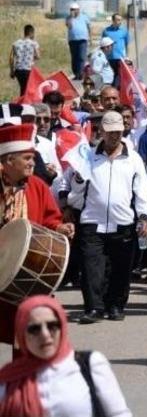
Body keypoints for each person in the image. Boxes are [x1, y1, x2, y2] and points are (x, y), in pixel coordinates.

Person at [68, 111, 147, 324]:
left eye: (118, 132)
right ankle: (93, 308)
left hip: (123, 222)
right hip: (92, 221)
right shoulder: (88, 156)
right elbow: (76, 189)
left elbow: (141, 191)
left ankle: (115, 305)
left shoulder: (133, 159)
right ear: (102, 132)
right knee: (91, 269)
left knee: (120, 269)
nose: (114, 136)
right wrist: (78, 178)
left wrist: (144, 217)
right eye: (110, 132)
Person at [0, 122, 73, 343]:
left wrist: (60, 228)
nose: (33, 163)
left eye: (33, 158)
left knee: (26, 336)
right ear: (9, 160)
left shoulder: (37, 185)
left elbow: (50, 218)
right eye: (27, 158)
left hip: (27, 269)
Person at [0, 295, 131, 417]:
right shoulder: (8, 380)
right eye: (34, 329)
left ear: (62, 327)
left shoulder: (90, 366)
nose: (45, 335)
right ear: (21, 335)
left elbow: (119, 414)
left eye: (52, 326)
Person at [9, 24, 39, 96]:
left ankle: (22, 100)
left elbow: (11, 58)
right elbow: (38, 56)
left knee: (23, 88)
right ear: (31, 33)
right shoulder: (34, 43)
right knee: (27, 90)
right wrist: (33, 57)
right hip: (28, 70)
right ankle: (24, 102)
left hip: (18, 70)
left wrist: (12, 71)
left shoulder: (16, 43)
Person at [65, 3, 92, 79]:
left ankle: (80, 74)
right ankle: (76, 73)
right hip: (73, 40)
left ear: (78, 10)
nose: (73, 11)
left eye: (74, 9)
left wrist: (90, 38)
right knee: (74, 57)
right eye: (71, 9)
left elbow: (89, 27)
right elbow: (69, 27)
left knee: (81, 57)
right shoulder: (68, 18)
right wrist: (71, 17)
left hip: (83, 39)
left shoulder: (84, 17)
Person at [101, 14, 129, 85]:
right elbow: (103, 44)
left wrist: (126, 56)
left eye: (121, 20)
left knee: (119, 75)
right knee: (109, 75)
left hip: (120, 58)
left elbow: (126, 43)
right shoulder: (106, 31)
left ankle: (116, 89)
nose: (120, 22)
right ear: (113, 21)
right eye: (118, 20)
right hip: (109, 58)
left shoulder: (124, 31)